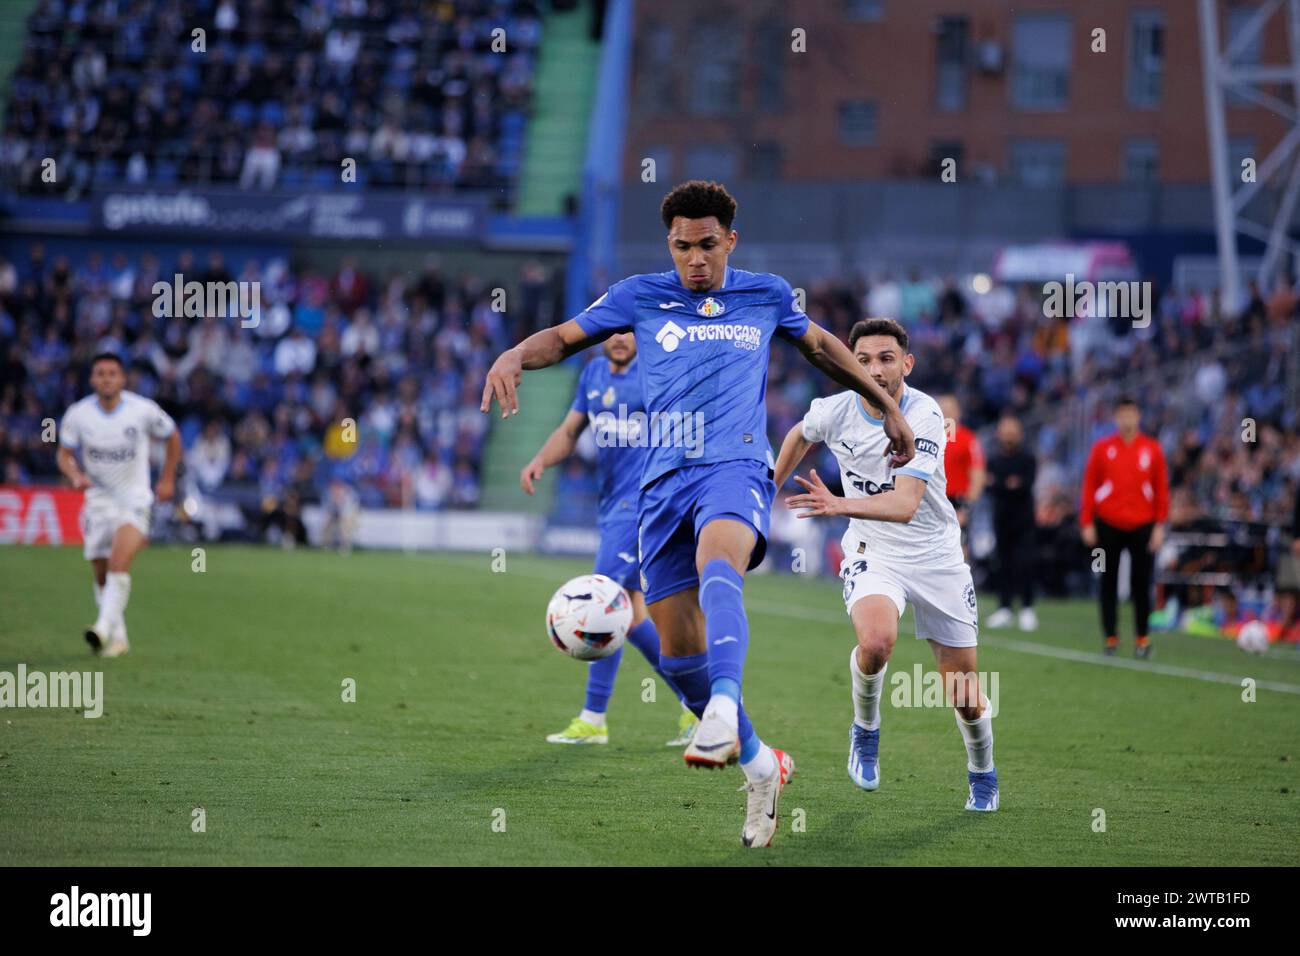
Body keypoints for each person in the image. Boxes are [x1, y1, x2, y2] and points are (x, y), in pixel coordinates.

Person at [481, 180, 915, 847]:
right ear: (670, 244)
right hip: (660, 486)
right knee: (679, 649)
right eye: (683, 246)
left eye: (708, 245)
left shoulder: (765, 294)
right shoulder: (637, 296)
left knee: (722, 559)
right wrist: (514, 354)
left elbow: (825, 347)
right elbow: (565, 339)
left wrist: (886, 407)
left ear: (730, 241)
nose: (695, 260)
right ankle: (759, 761)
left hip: (734, 467)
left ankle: (721, 703)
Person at [774, 318, 998, 813]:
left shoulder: (925, 414)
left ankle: (982, 770)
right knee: (876, 642)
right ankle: (866, 729)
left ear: (907, 364)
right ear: (851, 363)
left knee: (963, 692)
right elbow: (798, 433)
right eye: (865, 359)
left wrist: (837, 505)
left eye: (887, 358)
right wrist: (767, 486)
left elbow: (905, 505)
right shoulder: (834, 410)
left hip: (937, 557)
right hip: (873, 553)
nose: (875, 369)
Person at [520, 332, 697, 748]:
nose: (618, 338)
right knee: (633, 617)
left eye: (628, 330)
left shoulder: (659, 374)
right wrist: (540, 461)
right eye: (611, 330)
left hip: (645, 505)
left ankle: (593, 717)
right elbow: (569, 430)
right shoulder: (594, 373)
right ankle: (698, 705)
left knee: (603, 599)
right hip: (612, 504)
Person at [56, 352, 180, 657]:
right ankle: (119, 637)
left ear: (122, 379)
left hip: (134, 498)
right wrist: (74, 475)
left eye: (112, 373)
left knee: (118, 563)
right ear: (92, 379)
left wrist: (167, 479)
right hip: (98, 501)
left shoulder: (142, 410)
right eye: (100, 373)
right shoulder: (78, 415)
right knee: (101, 573)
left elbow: (172, 436)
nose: (106, 378)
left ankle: (101, 628)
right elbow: (64, 454)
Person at [1080, 396, 1169, 658]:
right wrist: (1086, 521)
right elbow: (1089, 486)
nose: (1127, 419)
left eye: (1131, 413)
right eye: (1122, 414)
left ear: (1138, 416)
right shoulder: (1102, 448)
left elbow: (1162, 489)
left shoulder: (1151, 449)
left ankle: (1142, 639)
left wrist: (1160, 525)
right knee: (1108, 581)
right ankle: (1110, 638)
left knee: (1142, 584)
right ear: (1116, 417)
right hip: (1107, 523)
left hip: (1143, 523)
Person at [984, 413, 1039, 631]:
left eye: (1012, 430)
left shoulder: (1028, 458)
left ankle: (1027, 608)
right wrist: (1007, 485)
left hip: (1024, 520)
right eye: (1005, 430)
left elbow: (1025, 485)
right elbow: (990, 486)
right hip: (1001, 519)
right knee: (1003, 563)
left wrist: (1002, 485)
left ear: (1019, 433)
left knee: (1025, 563)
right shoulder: (993, 459)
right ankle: (1005, 607)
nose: (1008, 434)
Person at [937, 394, 985, 547]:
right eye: (942, 410)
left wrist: (966, 509)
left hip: (956, 502)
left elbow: (978, 474)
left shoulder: (967, 439)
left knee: (958, 548)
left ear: (958, 412)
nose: (945, 414)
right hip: (932, 501)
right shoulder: (928, 437)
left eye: (949, 411)